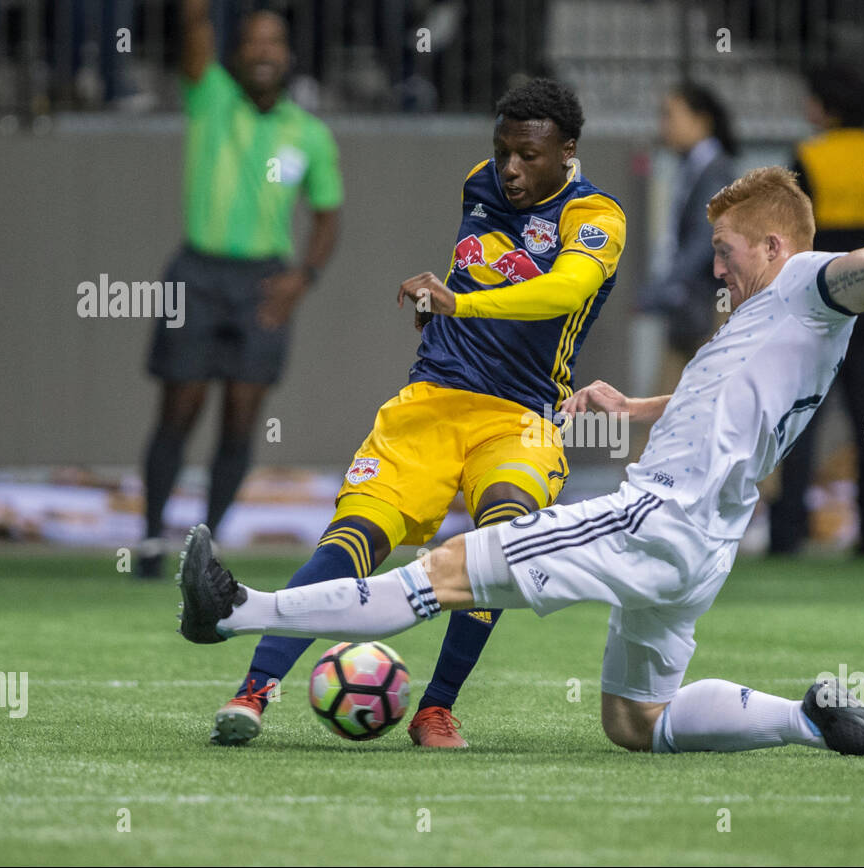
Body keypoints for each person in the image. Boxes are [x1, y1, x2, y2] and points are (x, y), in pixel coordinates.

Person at [178, 133, 864, 758]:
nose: (717, 270)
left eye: (727, 252)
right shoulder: (771, 328)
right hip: (704, 550)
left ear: (773, 247)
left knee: (443, 574)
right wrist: (637, 406)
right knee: (638, 723)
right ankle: (807, 720)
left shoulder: (806, 282)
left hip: (652, 519)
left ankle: (235, 611)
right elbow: (730, 401)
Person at [210, 77, 628, 750]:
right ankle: (254, 691)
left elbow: (564, 290)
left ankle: (436, 708)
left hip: (519, 417)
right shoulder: (479, 184)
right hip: (432, 399)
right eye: (503, 152)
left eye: (528, 155)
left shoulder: (597, 217)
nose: (511, 169)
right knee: (355, 538)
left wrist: (458, 305)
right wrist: (447, 304)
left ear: (568, 152)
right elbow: (476, 270)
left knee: (501, 541)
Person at [138, 0, 341, 577]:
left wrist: (304, 277)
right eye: (252, 42)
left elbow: (328, 215)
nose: (262, 52)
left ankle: (206, 545)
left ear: (289, 57)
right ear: (235, 54)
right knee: (179, 407)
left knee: (242, 416)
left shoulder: (310, 134)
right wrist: (197, 14)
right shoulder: (211, 97)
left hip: (263, 284)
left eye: (273, 43)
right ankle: (152, 541)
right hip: (197, 272)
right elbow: (196, 31)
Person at [769, 64, 864, 556]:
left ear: (827, 108)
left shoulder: (810, 155)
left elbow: (792, 232)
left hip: (819, 299)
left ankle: (787, 536)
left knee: (800, 418)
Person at [637, 83, 737, 395]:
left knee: (692, 407)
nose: (663, 125)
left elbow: (706, 238)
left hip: (708, 309)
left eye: (670, 115)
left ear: (701, 120)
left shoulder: (715, 171)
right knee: (670, 408)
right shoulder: (693, 167)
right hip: (691, 308)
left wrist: (666, 284)